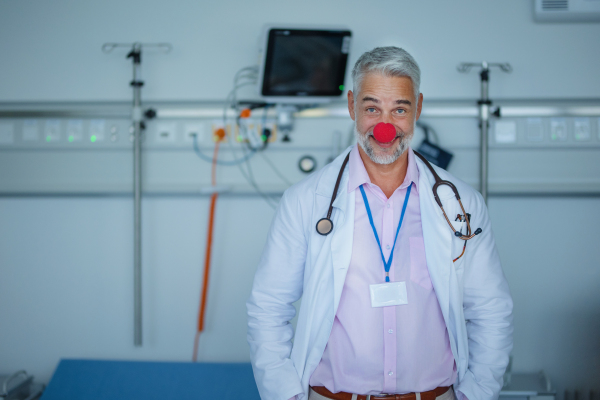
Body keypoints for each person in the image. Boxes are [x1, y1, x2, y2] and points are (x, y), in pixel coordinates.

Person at [247, 46, 513, 400]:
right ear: (351, 106)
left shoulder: (460, 204)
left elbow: (490, 310)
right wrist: (285, 396)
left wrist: (476, 394)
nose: (385, 127)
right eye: (372, 108)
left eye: (399, 110)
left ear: (417, 108)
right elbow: (268, 306)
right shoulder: (305, 201)